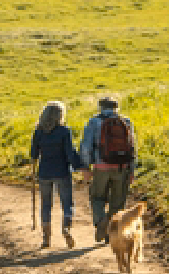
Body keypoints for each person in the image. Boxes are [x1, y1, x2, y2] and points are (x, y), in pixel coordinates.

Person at [80, 96, 137, 244]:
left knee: (97, 197)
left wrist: (86, 167)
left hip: (101, 167)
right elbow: (132, 148)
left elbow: (86, 147)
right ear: (116, 107)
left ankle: (101, 221)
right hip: (122, 167)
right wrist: (131, 171)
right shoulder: (126, 122)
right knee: (118, 201)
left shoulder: (93, 122)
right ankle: (112, 233)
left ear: (100, 107)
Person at [30, 101, 83, 249]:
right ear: (60, 115)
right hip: (62, 172)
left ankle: (46, 238)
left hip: (44, 172)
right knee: (67, 203)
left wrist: (34, 163)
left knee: (46, 204)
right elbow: (70, 153)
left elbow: (34, 154)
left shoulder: (39, 131)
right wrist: (80, 166)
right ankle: (66, 228)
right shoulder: (64, 131)